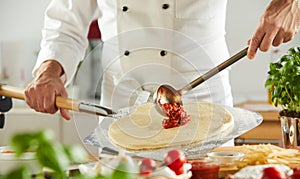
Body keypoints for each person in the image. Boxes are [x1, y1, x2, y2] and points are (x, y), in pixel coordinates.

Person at [24, 0, 299, 132]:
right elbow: (67, 19)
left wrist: (291, 3)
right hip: (119, 113)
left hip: (202, 108)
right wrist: (49, 72)